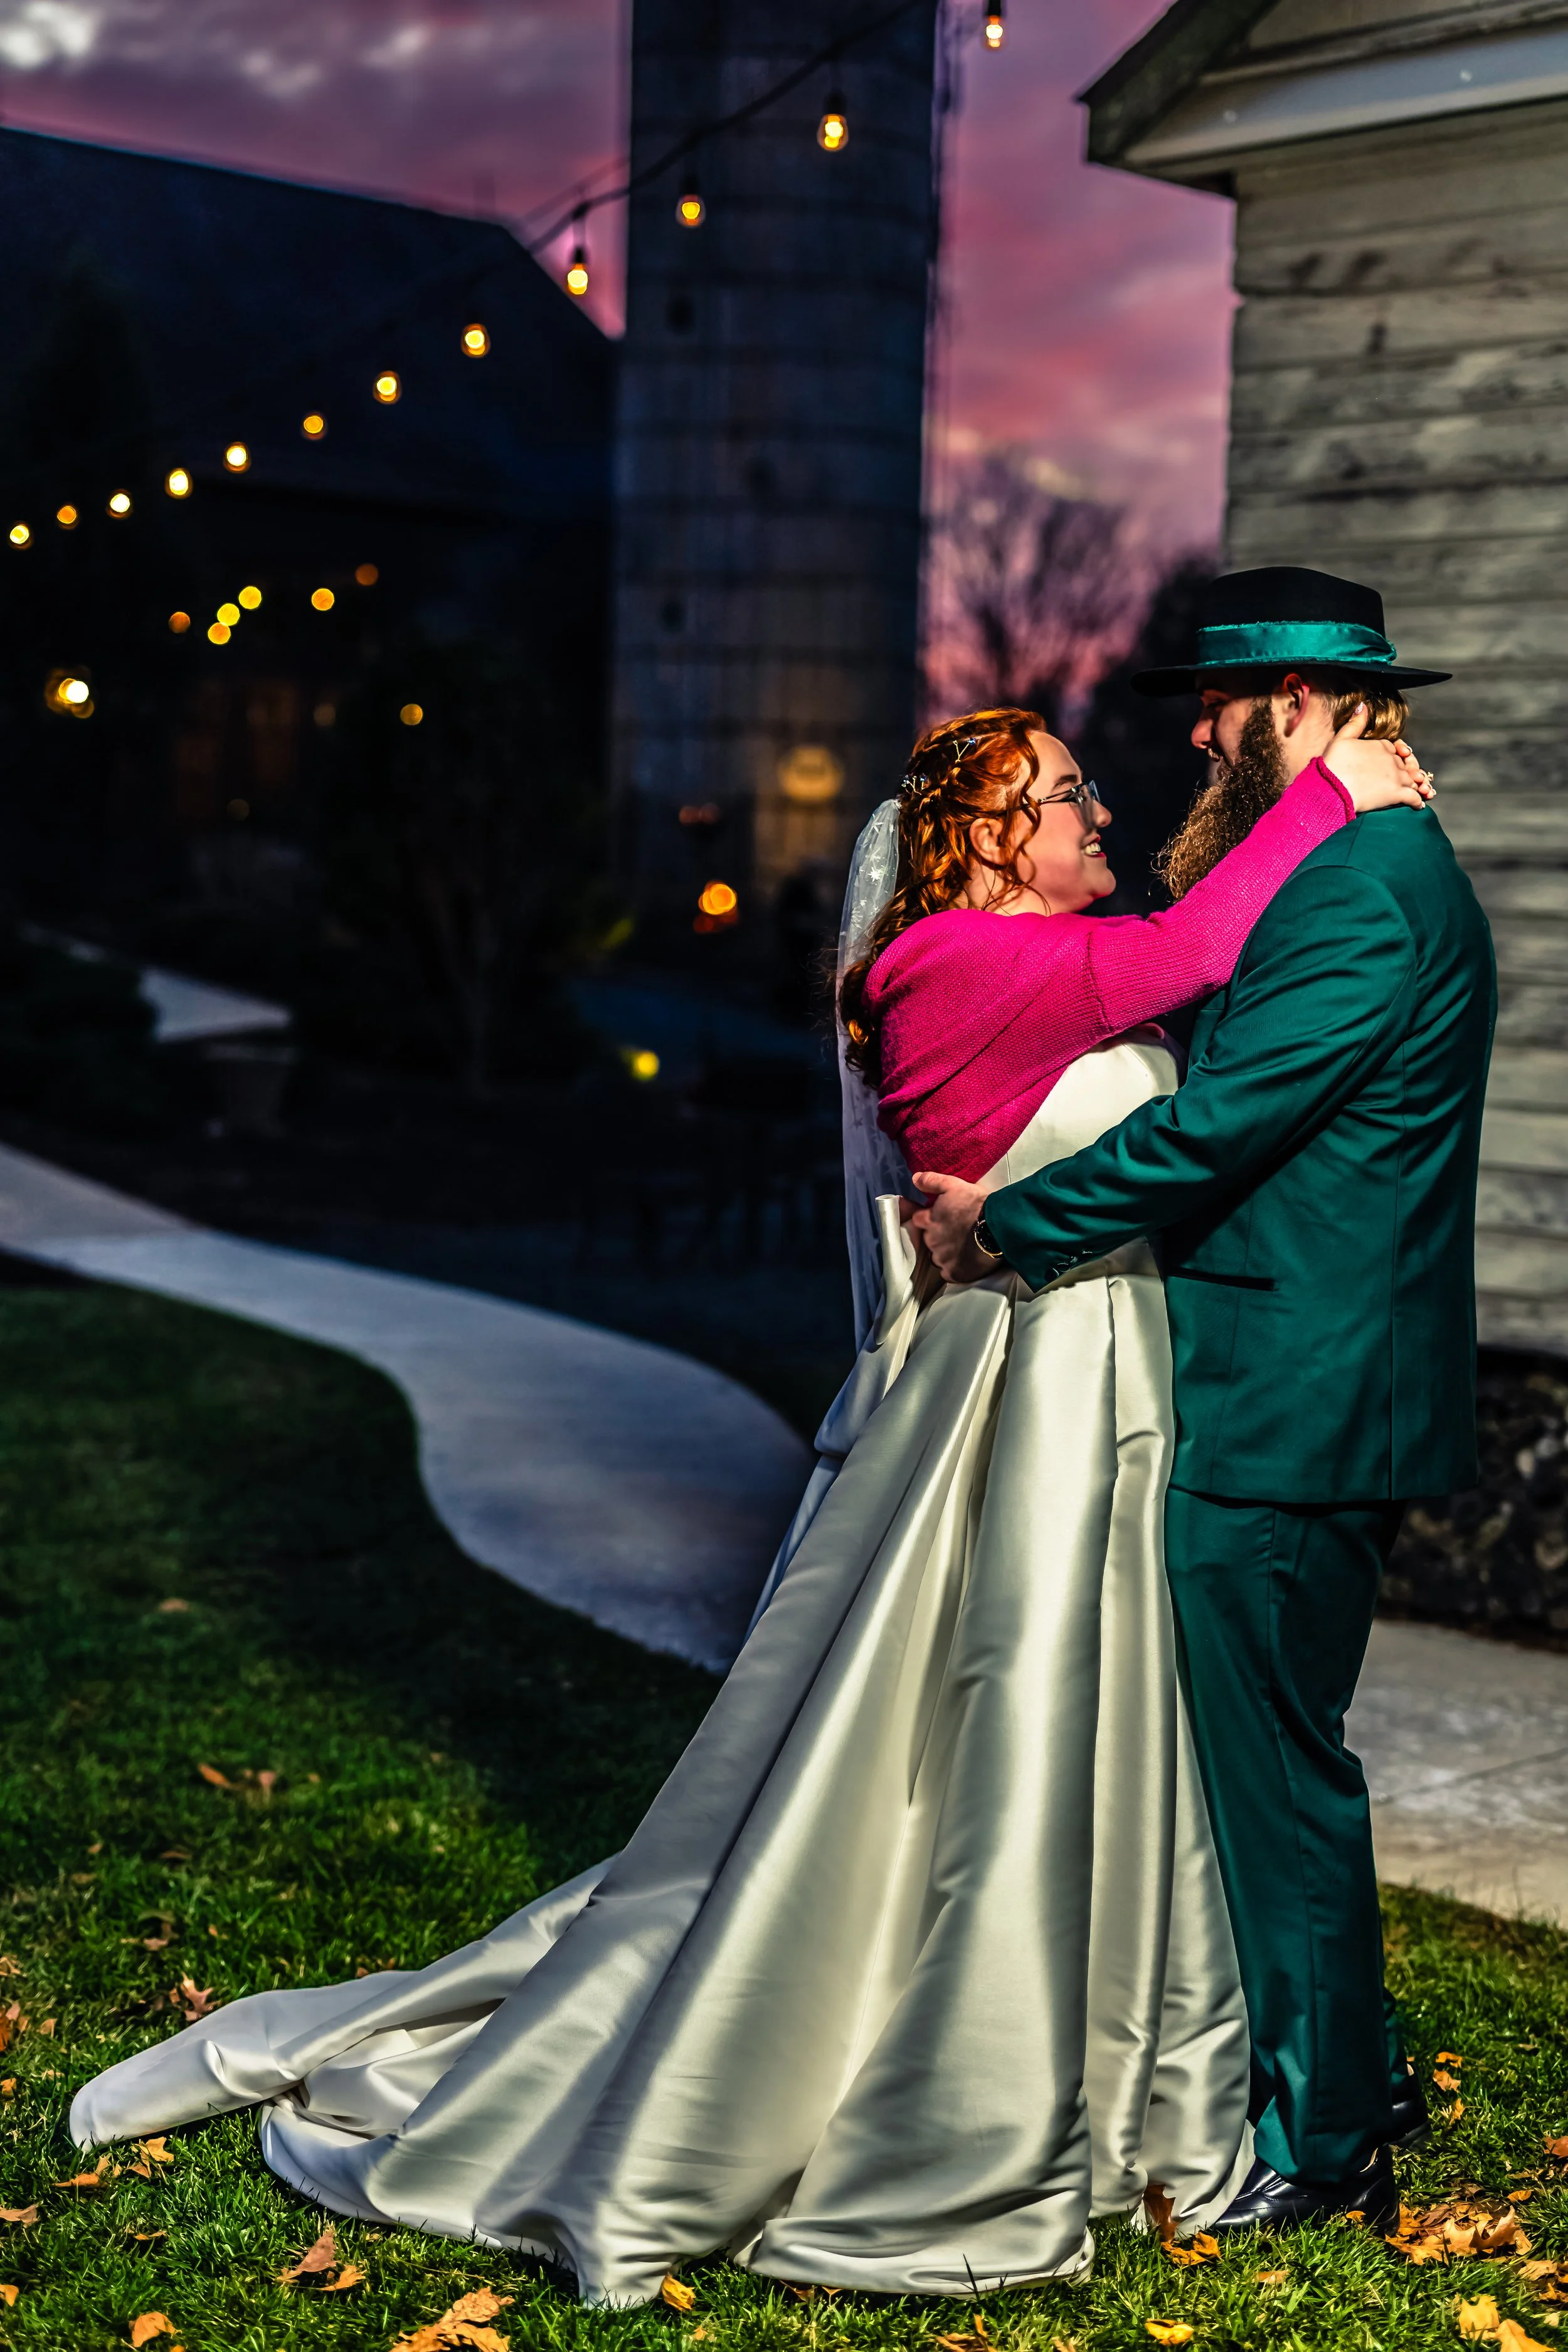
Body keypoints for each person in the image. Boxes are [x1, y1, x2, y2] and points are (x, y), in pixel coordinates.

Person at [69, 689, 1427, 2302]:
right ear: (987, 834)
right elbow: (1189, 955)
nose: (1097, 822)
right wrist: (1339, 792)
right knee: (993, 1710)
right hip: (1028, 1394)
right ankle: (955, 2059)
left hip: (1115, 1381)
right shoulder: (945, 964)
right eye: (1065, 799)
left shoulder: (1036, 966)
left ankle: (1124, 2047)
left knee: (1097, 1715)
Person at [915, 566, 1495, 2237]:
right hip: (1296, 1376)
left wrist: (1000, 1225)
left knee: (1274, 1767)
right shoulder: (1339, 865)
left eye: (1224, 706)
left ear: (1300, 709)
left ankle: (1322, 2138)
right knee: (1268, 1749)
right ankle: (1344, 2064)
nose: (1196, 729)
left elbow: (1212, 1129)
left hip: (1296, 1391)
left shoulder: (1364, 896)